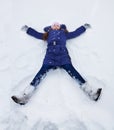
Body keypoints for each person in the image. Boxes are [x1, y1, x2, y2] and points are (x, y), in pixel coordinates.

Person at [11, 22, 102, 105]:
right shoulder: (47, 34)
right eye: (54, 25)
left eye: (57, 25)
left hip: (63, 57)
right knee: (40, 73)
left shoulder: (64, 34)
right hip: (50, 57)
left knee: (73, 72)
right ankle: (25, 96)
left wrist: (83, 27)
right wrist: (28, 29)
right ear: (50, 27)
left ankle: (91, 93)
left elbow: (75, 33)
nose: (55, 26)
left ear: (60, 27)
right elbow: (37, 34)